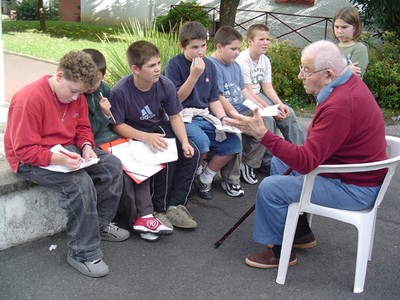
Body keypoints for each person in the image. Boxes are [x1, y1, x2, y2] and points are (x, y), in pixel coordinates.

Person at [224, 40, 387, 269]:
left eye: (306, 70)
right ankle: (300, 234)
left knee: (271, 188)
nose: (301, 75)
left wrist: (263, 134)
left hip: (355, 189)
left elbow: (306, 163)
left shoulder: (340, 105)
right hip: (353, 173)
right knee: (281, 163)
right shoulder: (347, 84)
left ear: (329, 75)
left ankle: (281, 252)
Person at [4, 51, 130, 278]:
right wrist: (59, 159)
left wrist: (86, 146)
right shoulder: (29, 99)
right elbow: (23, 150)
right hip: (29, 159)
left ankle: (99, 225)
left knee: (111, 166)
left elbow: (82, 128)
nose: (75, 98)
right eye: (73, 91)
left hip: (66, 149)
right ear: (59, 76)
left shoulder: (77, 96)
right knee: (80, 183)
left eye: (81, 93)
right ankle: (82, 252)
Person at [82, 48, 173, 242]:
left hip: (113, 138)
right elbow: (87, 131)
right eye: (90, 81)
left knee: (139, 163)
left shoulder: (103, 88)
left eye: (98, 80)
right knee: (123, 170)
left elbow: (115, 122)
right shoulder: (78, 94)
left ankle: (146, 216)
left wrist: (110, 118)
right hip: (96, 142)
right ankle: (138, 219)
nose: (94, 85)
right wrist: (102, 114)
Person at [109, 40, 200, 230]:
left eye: (159, 63)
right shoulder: (120, 91)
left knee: (192, 153)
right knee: (165, 157)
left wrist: (184, 142)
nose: (158, 69)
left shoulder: (165, 85)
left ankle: (175, 205)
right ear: (135, 68)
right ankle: (160, 208)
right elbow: (117, 125)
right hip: (134, 134)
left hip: (159, 128)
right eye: (151, 65)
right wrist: (144, 137)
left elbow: (174, 116)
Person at [163, 21, 242, 200]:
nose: (200, 51)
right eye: (194, 47)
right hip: (182, 116)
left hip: (203, 115)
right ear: (182, 46)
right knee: (201, 142)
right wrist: (194, 75)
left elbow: (213, 98)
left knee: (232, 144)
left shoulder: (210, 65)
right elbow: (176, 100)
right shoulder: (174, 64)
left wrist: (223, 118)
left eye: (203, 46)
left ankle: (205, 177)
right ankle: (187, 180)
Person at [208, 26, 277, 187]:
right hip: (224, 110)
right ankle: (230, 179)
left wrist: (260, 107)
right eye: (233, 49)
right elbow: (218, 96)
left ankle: (249, 164)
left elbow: (244, 90)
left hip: (240, 106)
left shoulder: (234, 65)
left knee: (264, 121)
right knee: (236, 135)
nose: (237, 53)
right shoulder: (212, 66)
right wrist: (234, 114)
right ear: (219, 47)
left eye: (239, 49)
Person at [236, 24, 305, 174]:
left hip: (258, 95)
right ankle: (266, 162)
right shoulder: (243, 60)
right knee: (267, 119)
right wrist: (269, 110)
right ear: (250, 41)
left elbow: (267, 88)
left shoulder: (264, 60)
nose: (266, 42)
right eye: (261, 39)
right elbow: (247, 91)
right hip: (244, 98)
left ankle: (301, 155)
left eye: (268, 39)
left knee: (289, 113)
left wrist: (279, 105)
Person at [333, 6, 368, 78]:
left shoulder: (359, 48)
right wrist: (346, 71)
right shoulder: (333, 48)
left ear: (355, 28)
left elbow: (354, 78)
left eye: (344, 27)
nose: (339, 31)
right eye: (336, 27)